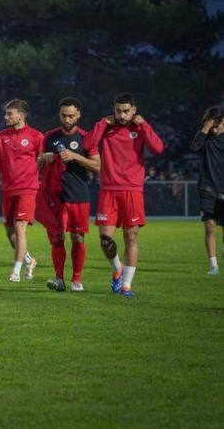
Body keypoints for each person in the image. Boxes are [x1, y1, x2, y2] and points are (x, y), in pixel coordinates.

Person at [83, 93, 164, 297]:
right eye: (118, 110)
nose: (122, 115)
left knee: (131, 238)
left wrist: (144, 124)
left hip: (132, 191)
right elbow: (87, 145)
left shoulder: (139, 128)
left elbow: (158, 148)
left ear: (134, 110)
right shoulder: (107, 127)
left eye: (126, 111)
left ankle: (126, 285)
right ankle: (117, 268)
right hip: (108, 191)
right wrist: (102, 123)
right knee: (105, 241)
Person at [36, 97, 100, 292]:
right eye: (64, 115)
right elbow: (37, 167)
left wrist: (76, 156)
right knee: (58, 238)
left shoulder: (86, 137)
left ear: (78, 114)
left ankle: (76, 280)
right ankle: (59, 279)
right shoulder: (49, 137)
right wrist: (44, 159)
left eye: (71, 116)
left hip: (79, 195)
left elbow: (98, 165)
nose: (67, 119)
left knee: (78, 238)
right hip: (56, 197)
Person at [0, 99, 43, 283]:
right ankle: (30, 260)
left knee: (19, 227)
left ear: (20, 115)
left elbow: (44, 161)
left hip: (27, 189)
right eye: (6, 113)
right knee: (10, 233)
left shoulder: (36, 136)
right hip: (8, 189)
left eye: (9, 114)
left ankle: (15, 271)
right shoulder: (1, 136)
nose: (6, 117)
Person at [191, 106, 224, 276]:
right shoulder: (205, 138)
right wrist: (205, 127)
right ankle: (214, 266)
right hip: (207, 188)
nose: (214, 129)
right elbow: (194, 148)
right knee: (210, 226)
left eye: (216, 125)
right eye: (211, 125)